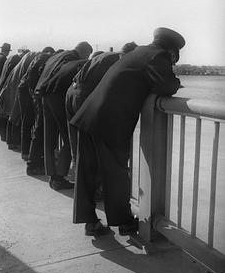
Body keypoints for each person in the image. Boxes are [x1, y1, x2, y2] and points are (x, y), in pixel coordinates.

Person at [70, 28, 185, 236]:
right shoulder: (157, 56)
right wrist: (176, 82)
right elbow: (166, 85)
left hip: (88, 115)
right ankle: (124, 222)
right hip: (110, 122)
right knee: (117, 174)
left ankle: (90, 222)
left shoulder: (138, 52)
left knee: (87, 173)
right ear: (172, 51)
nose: (174, 61)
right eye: (175, 57)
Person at [65, 42, 137, 163]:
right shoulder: (118, 60)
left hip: (72, 92)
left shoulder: (105, 56)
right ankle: (91, 174)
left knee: (76, 138)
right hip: (83, 96)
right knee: (90, 141)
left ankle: (76, 168)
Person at [35, 41, 93, 190]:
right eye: (88, 54)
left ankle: (52, 175)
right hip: (57, 96)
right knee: (68, 137)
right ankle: (60, 177)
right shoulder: (74, 60)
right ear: (84, 52)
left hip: (44, 95)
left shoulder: (58, 55)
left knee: (50, 136)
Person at [15, 46, 55, 170]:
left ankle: (26, 152)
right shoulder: (44, 58)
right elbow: (35, 79)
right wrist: (35, 95)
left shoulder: (37, 57)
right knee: (35, 124)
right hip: (28, 92)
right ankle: (32, 157)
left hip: (25, 90)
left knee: (27, 122)